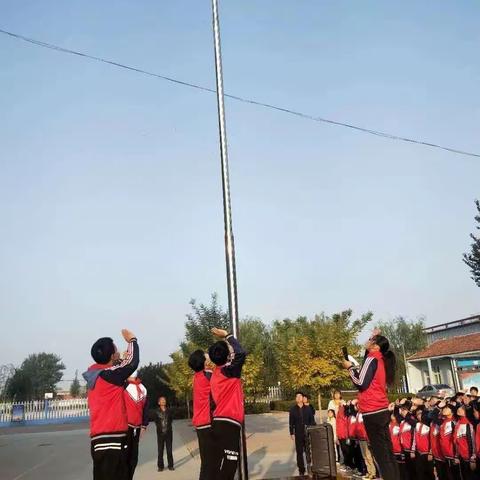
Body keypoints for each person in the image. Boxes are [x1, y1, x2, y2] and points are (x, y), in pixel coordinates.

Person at [82, 329, 139, 480]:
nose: (119, 352)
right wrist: (132, 340)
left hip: (101, 442)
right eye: (116, 350)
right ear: (111, 355)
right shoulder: (108, 375)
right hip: (111, 441)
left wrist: (119, 361)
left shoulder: (98, 375)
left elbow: (119, 370)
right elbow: (132, 362)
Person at [343, 334, 400, 480]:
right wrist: (374, 336)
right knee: (387, 452)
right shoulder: (379, 359)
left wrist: (350, 369)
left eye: (370, 340)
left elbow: (361, 383)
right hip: (380, 410)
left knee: (382, 455)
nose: (366, 341)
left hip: (372, 411)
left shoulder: (372, 359)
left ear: (375, 346)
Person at [208, 327, 247, 480]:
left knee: (219, 466)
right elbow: (241, 353)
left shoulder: (216, 374)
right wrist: (227, 336)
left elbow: (236, 354)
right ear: (227, 355)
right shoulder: (230, 372)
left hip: (218, 422)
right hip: (229, 423)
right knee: (230, 466)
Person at [188, 349, 214, 480]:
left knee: (206, 463)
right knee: (212, 463)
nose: (208, 355)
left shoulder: (197, 376)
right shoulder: (208, 374)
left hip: (200, 423)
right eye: (205, 355)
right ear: (203, 361)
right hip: (208, 422)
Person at [123, 371, 148, 480]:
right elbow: (146, 409)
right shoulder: (143, 388)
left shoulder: (124, 386)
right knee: (132, 456)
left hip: (128, 427)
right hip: (132, 426)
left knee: (129, 456)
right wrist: (144, 425)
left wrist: (144, 425)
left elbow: (145, 408)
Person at [289, 391, 316, 476]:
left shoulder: (308, 408)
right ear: (296, 399)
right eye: (297, 397)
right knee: (299, 452)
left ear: (303, 398)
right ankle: (301, 469)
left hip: (307, 432)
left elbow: (312, 421)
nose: (299, 398)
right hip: (298, 433)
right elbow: (291, 422)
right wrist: (291, 433)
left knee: (308, 451)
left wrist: (312, 430)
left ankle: (309, 467)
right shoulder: (292, 410)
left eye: (300, 396)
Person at [453, 404, 476, 480]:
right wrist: (456, 455)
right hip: (460, 456)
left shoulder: (469, 425)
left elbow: (472, 442)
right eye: (459, 408)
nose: (459, 409)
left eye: (462, 409)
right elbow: (456, 441)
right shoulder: (457, 423)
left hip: (469, 457)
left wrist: (473, 457)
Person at [154, 396, 174, 472]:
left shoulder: (169, 411)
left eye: (164, 400)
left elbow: (171, 420)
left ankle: (171, 465)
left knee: (169, 450)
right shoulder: (156, 412)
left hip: (169, 433)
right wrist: (160, 429)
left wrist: (168, 428)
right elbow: (156, 422)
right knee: (160, 450)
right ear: (159, 403)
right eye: (161, 400)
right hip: (160, 434)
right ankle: (160, 466)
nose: (163, 401)